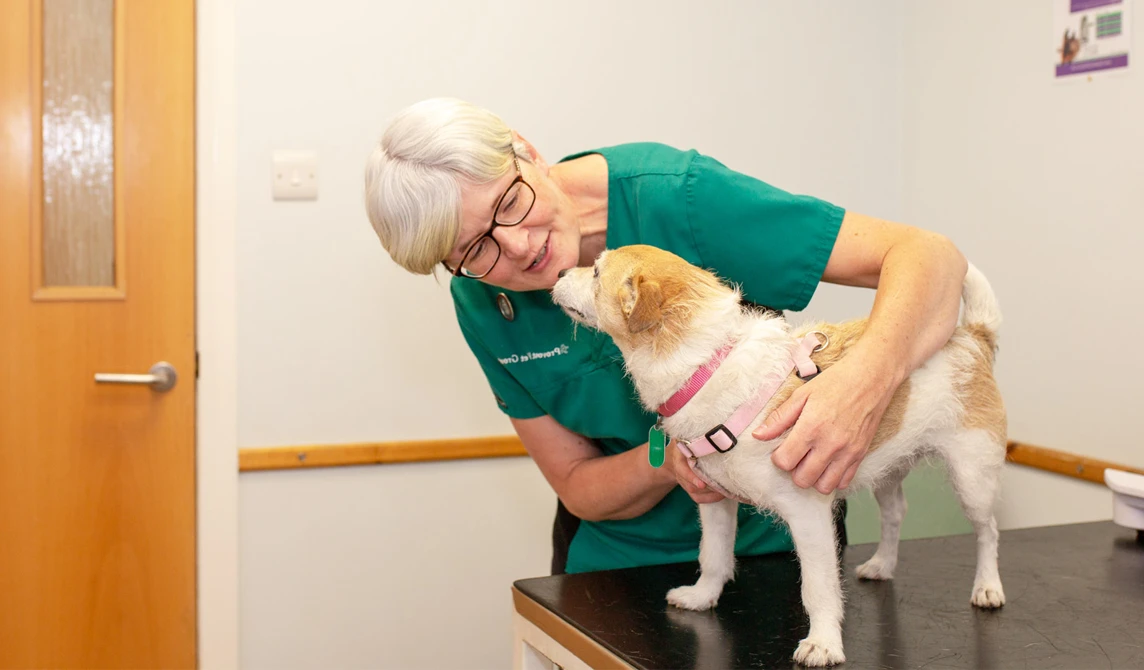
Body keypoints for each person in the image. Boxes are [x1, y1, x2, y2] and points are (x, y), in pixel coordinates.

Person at [363, 98, 967, 575]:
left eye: (510, 201)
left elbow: (929, 257)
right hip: (612, 568)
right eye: (474, 248)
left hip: (774, 550)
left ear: (527, 152)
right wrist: (670, 459)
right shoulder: (481, 300)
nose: (518, 247)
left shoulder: (678, 198)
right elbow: (576, 485)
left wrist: (864, 384)